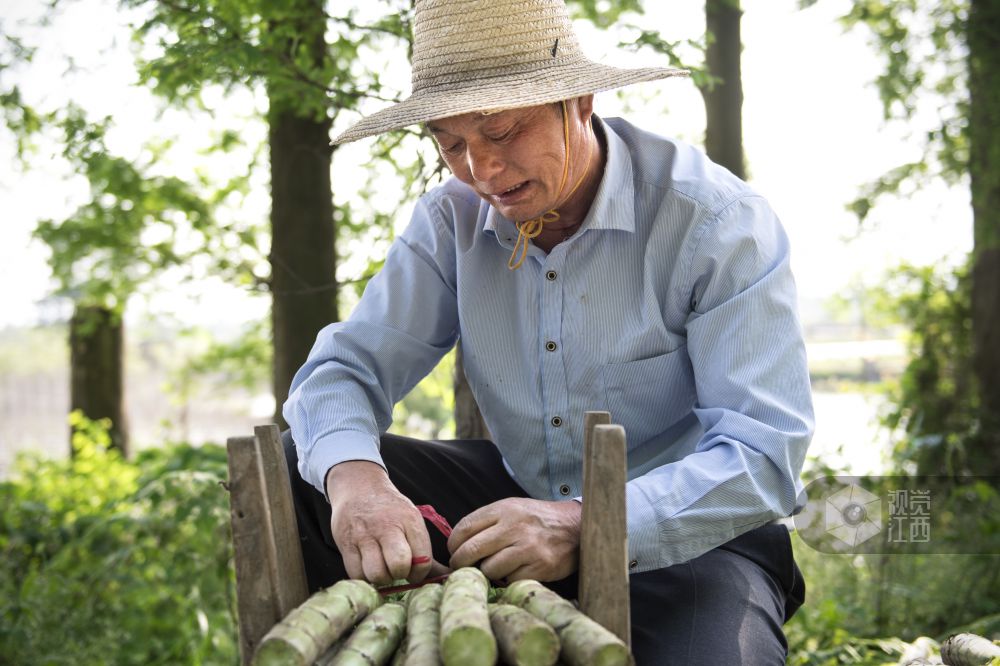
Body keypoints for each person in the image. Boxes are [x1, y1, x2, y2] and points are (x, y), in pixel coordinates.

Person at [282, 0, 814, 663]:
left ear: (580, 99)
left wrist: (585, 523)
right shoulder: (451, 220)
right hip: (516, 504)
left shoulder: (716, 224)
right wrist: (359, 488)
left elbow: (764, 454)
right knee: (310, 464)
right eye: (451, 143)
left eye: (500, 131)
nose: (482, 173)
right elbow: (344, 372)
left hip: (694, 539)